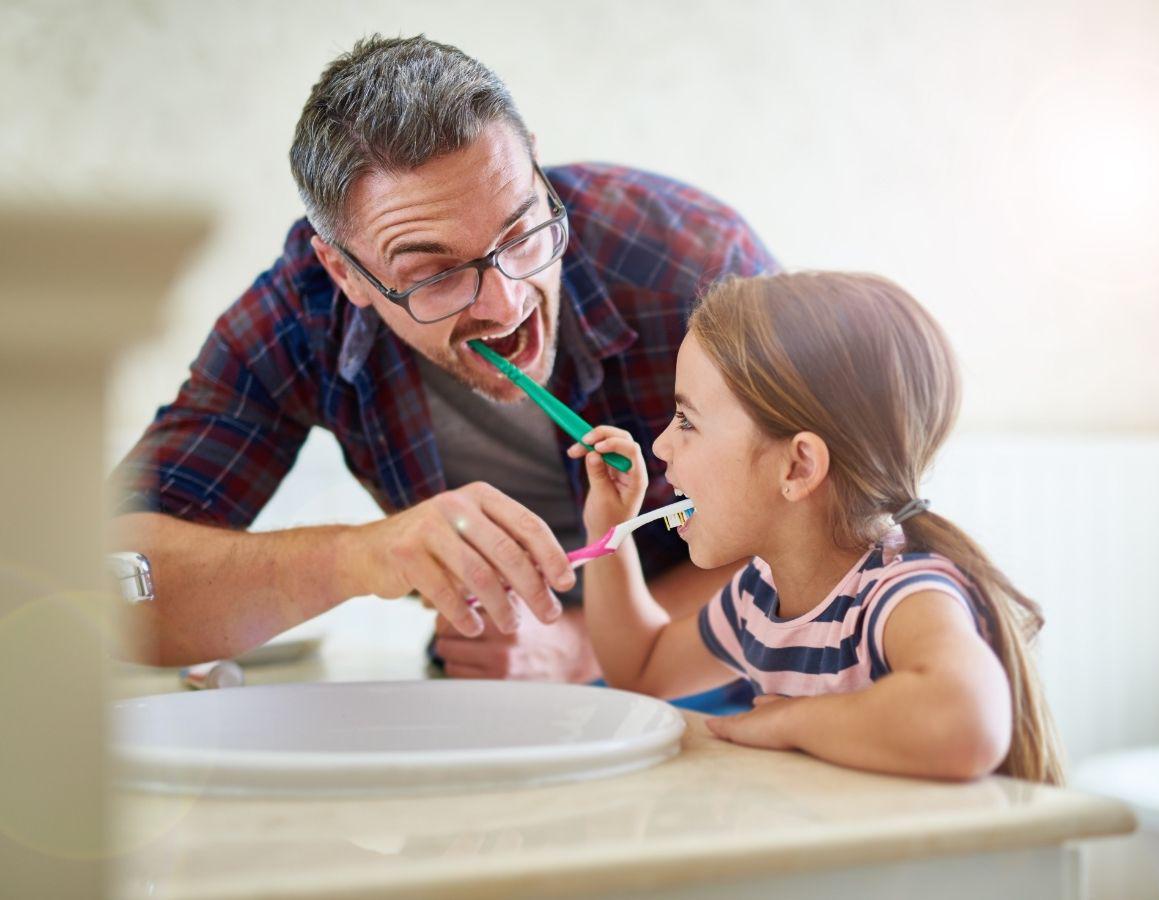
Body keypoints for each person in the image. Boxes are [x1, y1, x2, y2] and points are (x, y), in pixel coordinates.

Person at [109, 33, 775, 709]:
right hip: (494, 706)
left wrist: (586, 646)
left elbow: (826, 526)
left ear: (534, 168)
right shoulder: (299, 320)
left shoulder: (689, 259)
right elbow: (109, 579)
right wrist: (360, 557)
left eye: (520, 233)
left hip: (735, 678)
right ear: (345, 272)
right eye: (435, 274)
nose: (507, 304)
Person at [570, 271, 1064, 782]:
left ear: (798, 467)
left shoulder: (900, 593)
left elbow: (965, 724)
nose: (660, 446)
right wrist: (608, 525)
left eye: (688, 421)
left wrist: (790, 721)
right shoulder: (759, 597)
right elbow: (644, 667)